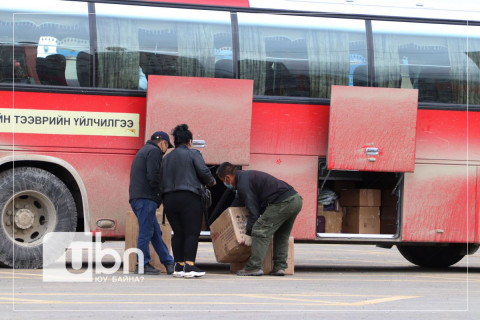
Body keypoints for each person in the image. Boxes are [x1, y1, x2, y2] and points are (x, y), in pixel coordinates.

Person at [216, 162, 302, 276]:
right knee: (281, 234)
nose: (225, 183)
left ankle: (254, 267)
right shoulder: (244, 178)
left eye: (223, 180)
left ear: (227, 177)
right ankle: (280, 267)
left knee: (259, 230)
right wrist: (226, 216)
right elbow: (239, 202)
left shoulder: (243, 183)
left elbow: (254, 212)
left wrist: (248, 233)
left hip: (283, 202)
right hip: (295, 200)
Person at [161, 124, 216, 278]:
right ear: (189, 141)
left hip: (169, 199)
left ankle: (179, 266)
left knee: (178, 232)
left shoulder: (167, 158)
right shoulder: (194, 154)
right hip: (189, 197)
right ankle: (190, 266)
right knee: (191, 232)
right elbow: (204, 171)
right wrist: (212, 181)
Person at [129, 131, 175, 275]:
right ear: (163, 143)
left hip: (139, 198)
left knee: (155, 232)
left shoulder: (144, 150)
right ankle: (142, 264)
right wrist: (161, 194)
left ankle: (168, 262)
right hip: (146, 199)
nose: (165, 150)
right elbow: (153, 176)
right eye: (167, 147)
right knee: (146, 231)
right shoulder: (154, 152)